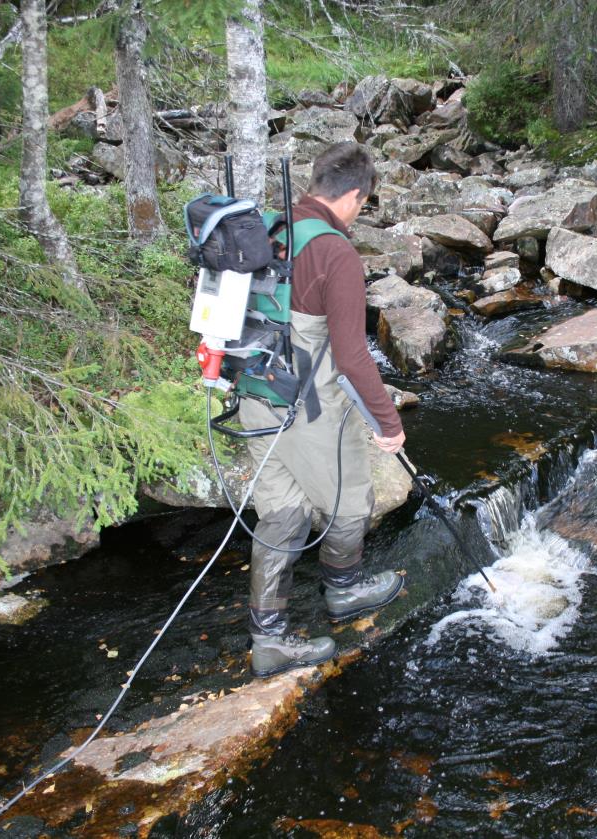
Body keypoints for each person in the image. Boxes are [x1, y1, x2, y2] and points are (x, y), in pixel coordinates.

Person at [238, 142, 406, 678]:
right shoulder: (336, 253)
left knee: (283, 512)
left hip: (252, 394)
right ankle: (344, 591)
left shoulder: (267, 228)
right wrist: (389, 423)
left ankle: (269, 641)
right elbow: (353, 357)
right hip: (306, 407)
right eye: (363, 203)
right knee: (351, 502)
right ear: (354, 195)